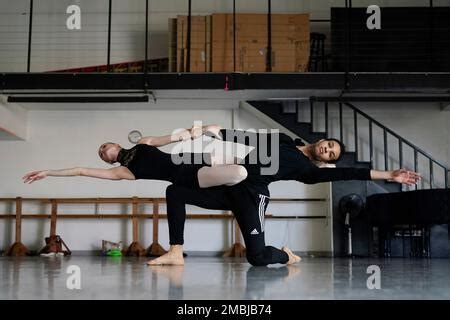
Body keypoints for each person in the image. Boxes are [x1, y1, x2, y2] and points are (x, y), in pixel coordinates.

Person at [148, 128, 420, 266]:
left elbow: (350, 173)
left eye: (331, 154)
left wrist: (388, 175)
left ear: (326, 160)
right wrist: (217, 132)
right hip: (227, 186)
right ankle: (175, 251)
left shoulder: (309, 172)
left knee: (257, 258)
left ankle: (285, 256)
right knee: (175, 191)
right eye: (329, 145)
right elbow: (247, 138)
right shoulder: (283, 139)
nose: (327, 149)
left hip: (252, 199)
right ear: (323, 139)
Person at [22, 124, 248, 189]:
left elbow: (174, 137)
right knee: (239, 172)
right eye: (101, 154)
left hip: (193, 159)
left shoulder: (144, 142)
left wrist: (199, 129)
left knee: (246, 161)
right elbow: (81, 170)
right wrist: (48, 172)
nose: (102, 150)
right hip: (189, 178)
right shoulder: (122, 172)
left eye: (103, 146)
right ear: (109, 161)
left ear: (116, 144)